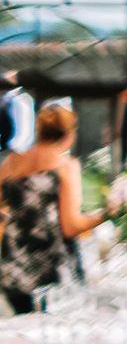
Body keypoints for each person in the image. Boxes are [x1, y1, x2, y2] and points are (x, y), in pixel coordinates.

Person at [0, 105, 101, 313]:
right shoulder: (66, 166)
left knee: (25, 332)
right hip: (52, 267)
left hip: (14, 267)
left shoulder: (11, 162)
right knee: (56, 335)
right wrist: (109, 213)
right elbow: (71, 226)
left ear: (39, 131)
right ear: (70, 135)